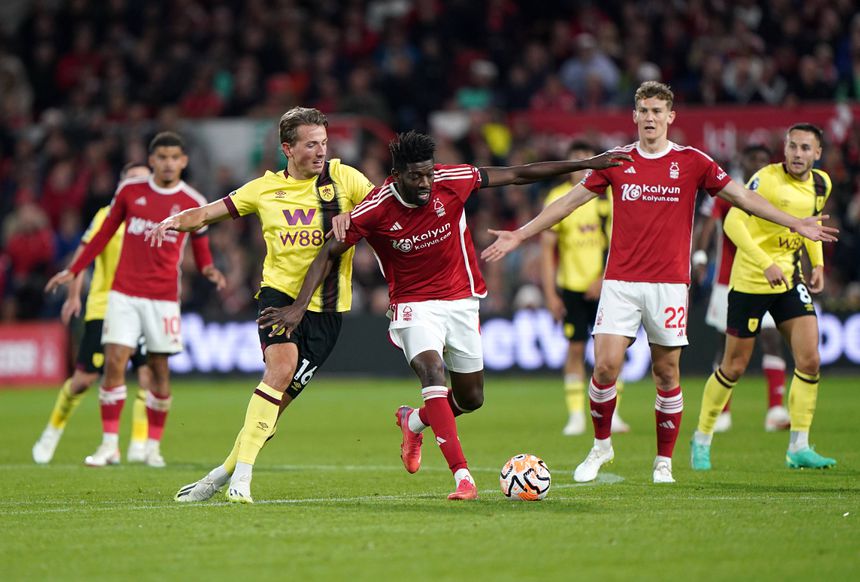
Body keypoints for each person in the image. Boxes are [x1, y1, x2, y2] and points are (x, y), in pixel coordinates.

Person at [481, 82, 837, 484]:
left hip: (669, 285)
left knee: (667, 373)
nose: (650, 118)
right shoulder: (617, 161)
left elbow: (742, 198)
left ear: (670, 117)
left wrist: (795, 224)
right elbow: (567, 202)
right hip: (621, 282)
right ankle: (601, 446)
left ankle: (663, 461)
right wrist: (520, 234)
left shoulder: (693, 162)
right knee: (604, 367)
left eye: (657, 111)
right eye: (644, 111)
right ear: (634, 116)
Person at [266, 130, 632, 500]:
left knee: (471, 398)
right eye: (415, 176)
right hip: (413, 303)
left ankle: (414, 420)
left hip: (461, 300)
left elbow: (518, 173)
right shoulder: (375, 208)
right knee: (432, 371)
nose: (425, 183)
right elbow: (329, 250)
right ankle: (463, 477)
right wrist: (299, 306)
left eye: (428, 173)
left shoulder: (451, 179)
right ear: (396, 176)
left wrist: (587, 163)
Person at [146, 107, 376, 504]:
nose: (321, 151)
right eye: (310, 145)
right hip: (279, 298)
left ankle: (218, 476)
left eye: (323, 143)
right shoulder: (264, 189)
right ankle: (243, 478)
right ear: (288, 148)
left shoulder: (346, 179)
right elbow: (208, 213)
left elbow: (386, 211)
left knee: (272, 410)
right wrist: (172, 222)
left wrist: (354, 218)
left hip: (328, 311)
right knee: (280, 370)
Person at [44, 132, 226, 468]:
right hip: (123, 293)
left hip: (163, 298)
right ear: (152, 160)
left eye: (174, 158)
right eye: (162, 157)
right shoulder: (130, 191)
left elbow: (200, 239)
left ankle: (152, 447)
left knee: (158, 371)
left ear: (183, 161)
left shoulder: (192, 199)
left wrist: (208, 268)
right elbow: (103, 234)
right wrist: (74, 270)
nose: (168, 163)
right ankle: (109, 445)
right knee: (114, 362)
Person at [691, 123, 837, 471]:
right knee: (733, 367)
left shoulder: (821, 183)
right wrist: (764, 262)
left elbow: (811, 224)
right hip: (750, 282)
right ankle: (702, 438)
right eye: (792, 146)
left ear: (817, 153)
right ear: (784, 149)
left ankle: (798, 446)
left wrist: (817, 263)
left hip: (789, 281)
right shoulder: (766, 180)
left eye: (805, 148)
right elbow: (732, 223)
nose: (798, 154)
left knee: (809, 360)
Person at [33, 163, 155, 465]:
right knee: (84, 380)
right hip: (106, 306)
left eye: (144, 179)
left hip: (144, 306)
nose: (140, 184)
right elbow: (84, 254)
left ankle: (138, 445)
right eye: (134, 179)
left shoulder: (156, 216)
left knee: (147, 374)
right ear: (122, 185)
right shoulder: (106, 215)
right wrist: (74, 295)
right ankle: (52, 431)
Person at [692, 144, 790, 433]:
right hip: (729, 280)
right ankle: (722, 412)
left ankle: (775, 410)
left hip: (766, 278)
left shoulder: (775, 193)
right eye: (753, 158)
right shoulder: (728, 191)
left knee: (771, 338)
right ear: (743, 161)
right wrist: (700, 257)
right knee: (726, 346)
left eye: (763, 159)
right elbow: (708, 226)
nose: (758, 163)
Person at [540, 140, 630, 436]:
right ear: (568, 165)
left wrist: (603, 277)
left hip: (608, 285)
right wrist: (550, 294)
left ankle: (613, 413)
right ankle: (576, 415)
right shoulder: (557, 198)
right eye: (576, 158)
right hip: (572, 287)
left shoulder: (608, 195)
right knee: (575, 349)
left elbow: (622, 241)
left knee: (610, 352)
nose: (581, 165)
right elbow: (547, 250)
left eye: (586, 157)